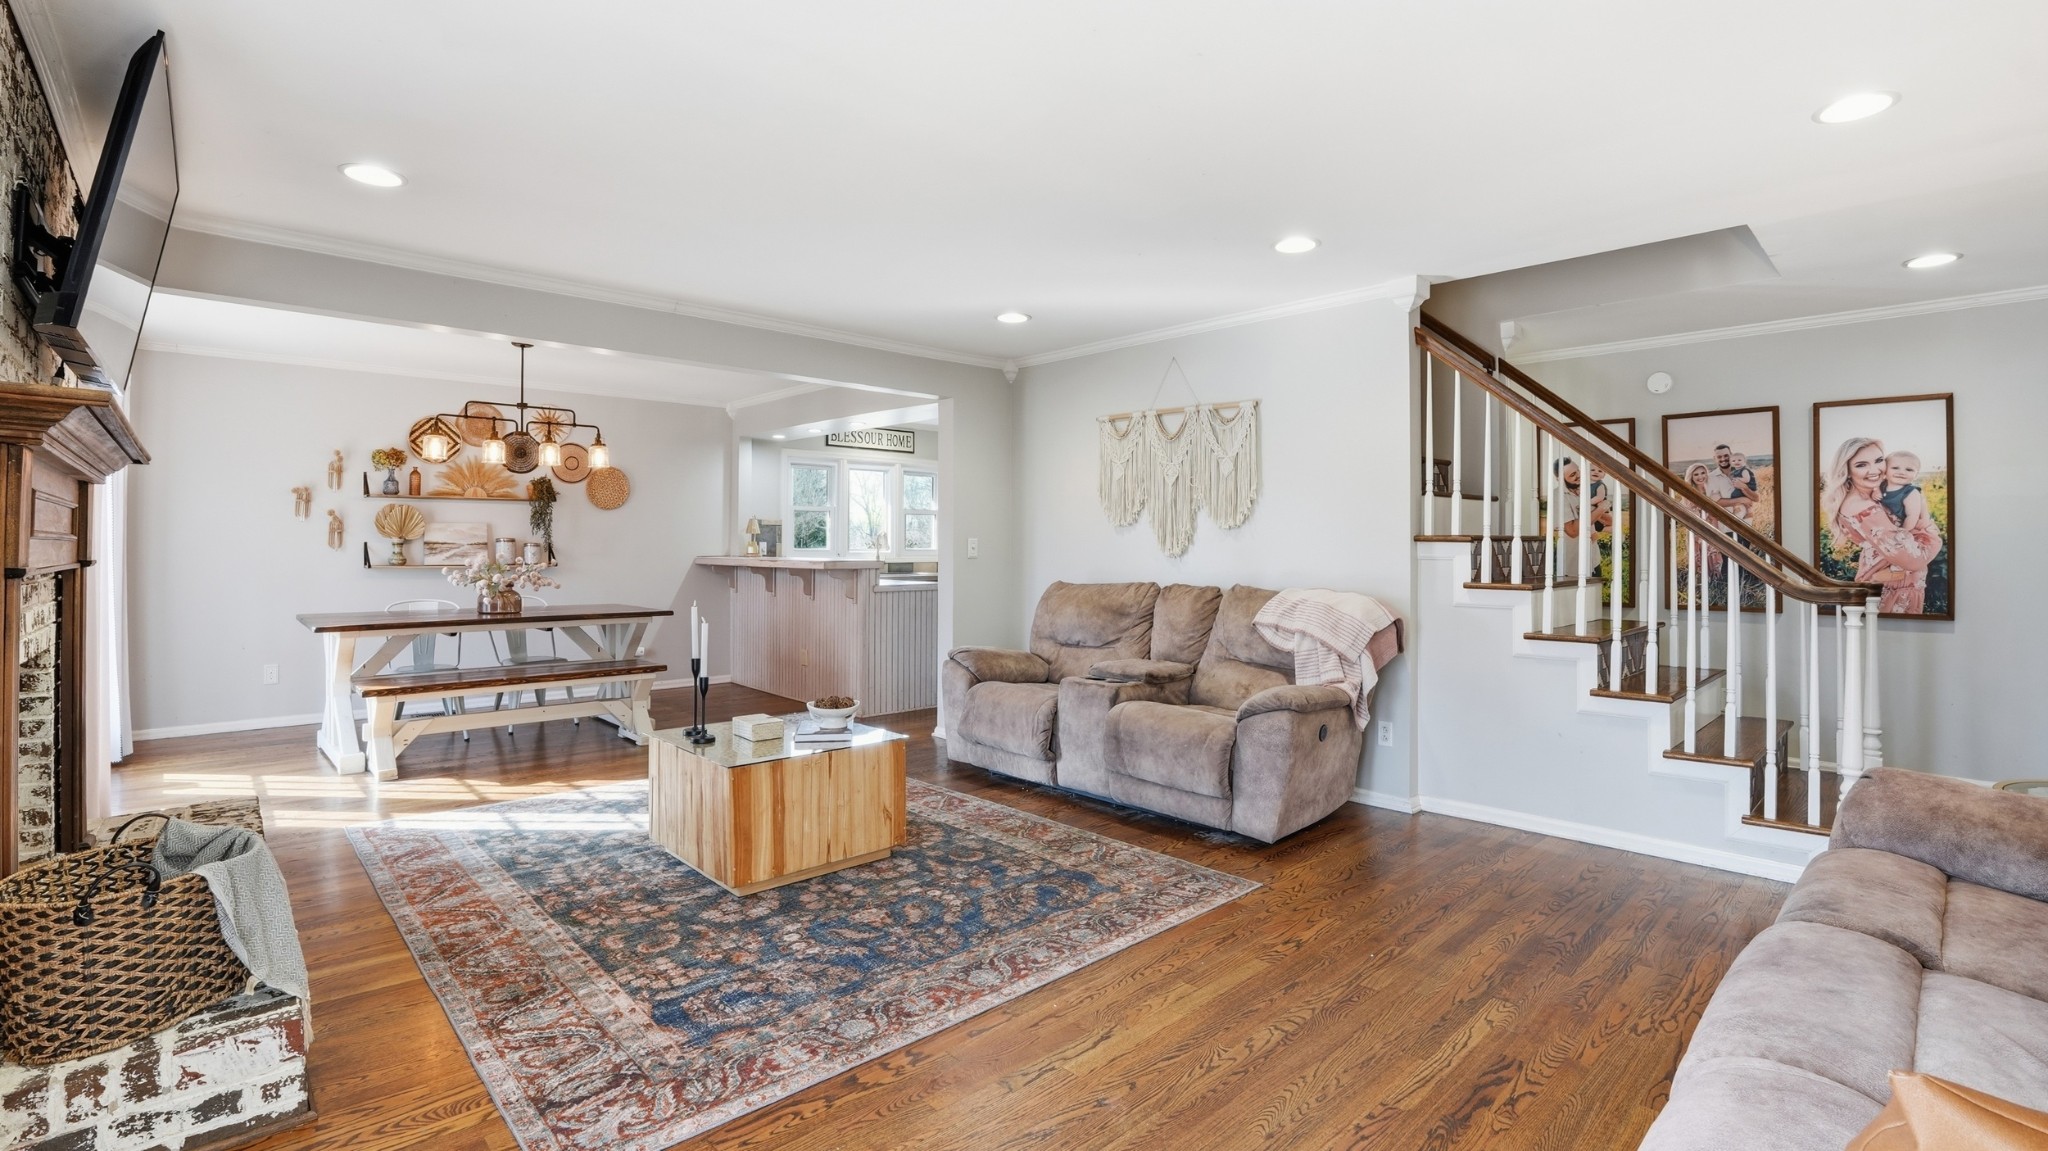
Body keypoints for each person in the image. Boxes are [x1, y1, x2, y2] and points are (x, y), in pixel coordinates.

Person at [1823, 438, 1942, 615]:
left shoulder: (1875, 493)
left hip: (1898, 584)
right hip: (1892, 591)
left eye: (1879, 461)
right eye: (1862, 465)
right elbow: (1913, 560)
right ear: (1846, 470)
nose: (1874, 470)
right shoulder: (1862, 506)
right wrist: (1932, 534)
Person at [1706, 444, 1757, 523]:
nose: (1723, 459)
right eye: (1719, 457)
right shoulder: (1710, 477)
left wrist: (1745, 487)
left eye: (1726, 456)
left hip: (1747, 523)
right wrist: (1741, 500)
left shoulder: (1745, 472)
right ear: (1714, 459)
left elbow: (1756, 498)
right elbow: (1715, 502)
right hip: (1725, 525)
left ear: (1731, 455)